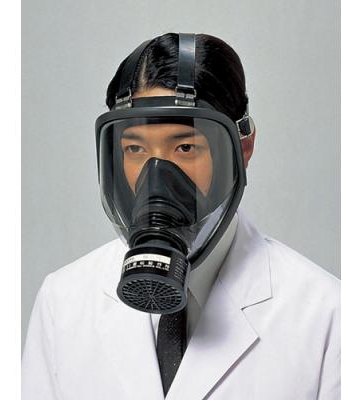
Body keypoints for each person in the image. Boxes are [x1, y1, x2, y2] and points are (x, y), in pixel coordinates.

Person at [22, 33, 340, 400]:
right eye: (135, 148)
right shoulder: (63, 301)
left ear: (243, 148)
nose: (156, 177)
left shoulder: (327, 315)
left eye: (186, 147)